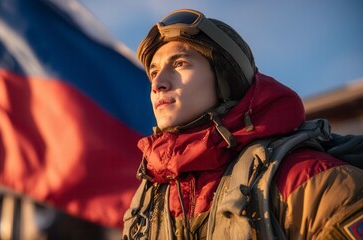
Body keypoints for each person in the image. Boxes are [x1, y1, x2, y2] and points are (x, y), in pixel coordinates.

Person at [122, 9, 363, 240]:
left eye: (179, 64)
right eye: (153, 72)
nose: (158, 83)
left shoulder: (303, 178)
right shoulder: (145, 206)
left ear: (226, 80)